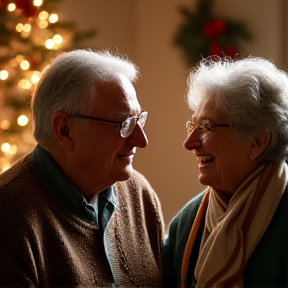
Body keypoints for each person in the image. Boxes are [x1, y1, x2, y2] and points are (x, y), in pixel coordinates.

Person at [0, 49, 165, 287]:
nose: (141, 140)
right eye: (123, 123)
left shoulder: (139, 193)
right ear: (65, 130)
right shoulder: (9, 217)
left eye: (138, 120)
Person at [164, 56, 288, 288]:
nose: (189, 143)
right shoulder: (185, 223)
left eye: (206, 127)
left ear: (256, 142)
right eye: (193, 126)